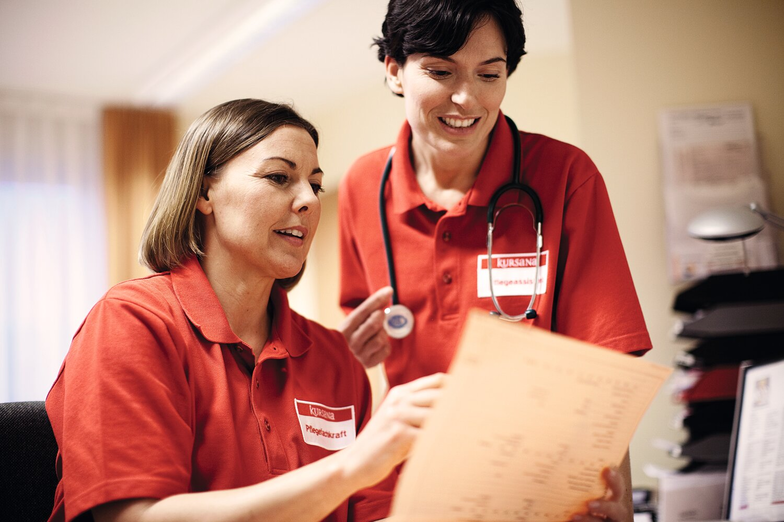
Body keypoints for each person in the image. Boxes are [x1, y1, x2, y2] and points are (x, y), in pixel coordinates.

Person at [46, 98, 444, 522]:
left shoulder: (335, 359)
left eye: (316, 183)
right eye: (278, 177)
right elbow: (133, 517)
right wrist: (348, 468)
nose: (309, 199)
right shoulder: (131, 322)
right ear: (204, 192)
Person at [337, 1, 652, 520]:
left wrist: (612, 499)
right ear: (394, 70)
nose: (466, 97)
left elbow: (604, 368)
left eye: (490, 74)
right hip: (407, 490)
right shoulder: (362, 185)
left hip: (536, 484)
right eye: (440, 71)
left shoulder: (566, 175)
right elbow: (357, 350)